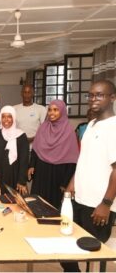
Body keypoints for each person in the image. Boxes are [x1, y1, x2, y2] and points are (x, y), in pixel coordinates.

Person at [65, 80, 116, 272]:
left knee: (93, 252)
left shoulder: (113, 127)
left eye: (100, 95)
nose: (93, 99)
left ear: (112, 98)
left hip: (98, 204)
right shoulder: (92, 125)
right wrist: (72, 184)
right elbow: (83, 160)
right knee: (67, 244)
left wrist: (106, 204)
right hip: (80, 199)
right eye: (91, 95)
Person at [28, 100, 79, 210]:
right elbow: (36, 149)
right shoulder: (43, 128)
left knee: (54, 209)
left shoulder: (69, 132)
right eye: (50, 110)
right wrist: (32, 165)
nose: (52, 113)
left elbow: (72, 160)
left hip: (58, 176)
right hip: (41, 173)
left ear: (62, 112)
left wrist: (65, 183)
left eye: (56, 110)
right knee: (37, 205)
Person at [0, 106, 29, 195]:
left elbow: (24, 160)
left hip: (14, 176)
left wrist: (21, 181)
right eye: (3, 116)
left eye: (9, 116)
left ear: (14, 118)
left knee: (12, 204)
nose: (6, 119)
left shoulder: (21, 136)